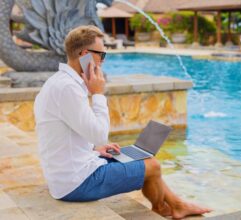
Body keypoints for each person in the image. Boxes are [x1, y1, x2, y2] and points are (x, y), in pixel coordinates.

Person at [33, 25, 211, 219]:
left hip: (70, 172)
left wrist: (94, 149)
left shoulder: (59, 82)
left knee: (142, 156)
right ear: (84, 54)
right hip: (76, 183)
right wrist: (98, 94)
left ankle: (176, 205)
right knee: (152, 166)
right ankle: (165, 208)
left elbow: (65, 134)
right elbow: (100, 135)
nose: (102, 61)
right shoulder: (68, 88)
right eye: (101, 55)